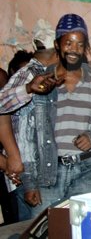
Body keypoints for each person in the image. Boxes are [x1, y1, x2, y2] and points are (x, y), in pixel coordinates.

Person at [20, 14, 91, 218]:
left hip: (87, 171)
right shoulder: (41, 80)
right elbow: (27, 135)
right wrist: (28, 181)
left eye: (80, 44)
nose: (74, 49)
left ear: (85, 48)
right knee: (47, 231)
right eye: (68, 43)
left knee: (84, 231)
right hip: (48, 174)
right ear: (57, 44)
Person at [0, 30, 59, 220]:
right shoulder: (26, 76)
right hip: (26, 173)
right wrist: (11, 160)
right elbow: (3, 110)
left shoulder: (55, 74)